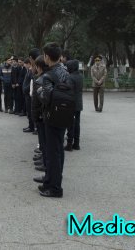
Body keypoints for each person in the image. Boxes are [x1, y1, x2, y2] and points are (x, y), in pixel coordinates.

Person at [37, 42, 70, 198]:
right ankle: (50, 181)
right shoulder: (65, 70)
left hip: (51, 117)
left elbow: (46, 98)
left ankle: (55, 188)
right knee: (58, 151)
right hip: (63, 115)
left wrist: (38, 91)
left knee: (53, 153)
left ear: (47, 57)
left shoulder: (48, 75)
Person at [65, 60, 83, 151]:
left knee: (70, 124)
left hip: (71, 103)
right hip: (79, 103)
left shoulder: (70, 77)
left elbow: (68, 90)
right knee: (77, 124)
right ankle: (76, 143)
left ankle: (69, 144)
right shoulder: (80, 76)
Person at [22, 59, 35, 133]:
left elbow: (31, 84)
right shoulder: (28, 71)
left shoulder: (31, 72)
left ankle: (32, 127)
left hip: (29, 94)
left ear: (29, 64)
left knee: (30, 112)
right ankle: (30, 126)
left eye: (25, 64)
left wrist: (25, 89)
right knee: (28, 111)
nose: (24, 65)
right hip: (26, 94)